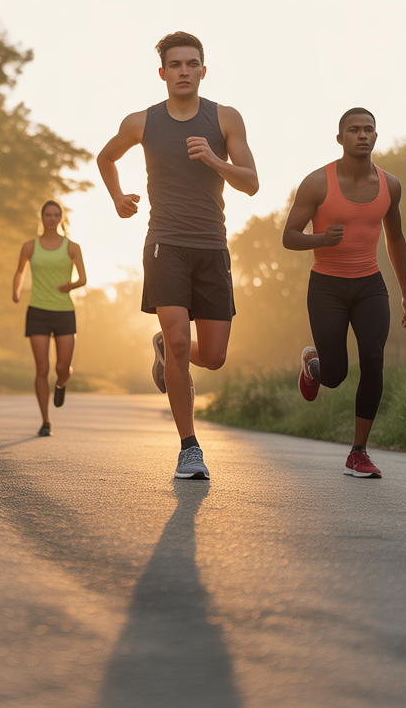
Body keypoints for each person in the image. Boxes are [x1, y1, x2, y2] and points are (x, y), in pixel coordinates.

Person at [95, 31, 259, 480]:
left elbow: (251, 182)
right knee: (183, 344)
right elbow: (105, 158)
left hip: (212, 246)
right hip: (164, 243)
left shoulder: (225, 119)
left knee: (215, 355)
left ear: (203, 71)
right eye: (176, 65)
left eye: (192, 64)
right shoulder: (141, 122)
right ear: (163, 73)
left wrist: (215, 161)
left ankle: (165, 350)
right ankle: (189, 447)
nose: (184, 71)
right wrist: (117, 199)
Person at [281, 108, 406, 479]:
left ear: (376, 136)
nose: (362, 135)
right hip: (327, 286)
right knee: (337, 374)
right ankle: (314, 365)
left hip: (370, 285)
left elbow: (395, 237)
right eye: (353, 130)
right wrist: (321, 239)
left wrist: (405, 292)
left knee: (373, 358)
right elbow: (289, 236)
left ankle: (359, 452)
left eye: (368, 129)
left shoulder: (391, 185)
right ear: (340, 138)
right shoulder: (317, 183)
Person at [12, 200, 87, 436]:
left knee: (62, 367)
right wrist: (15, 291)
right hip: (38, 311)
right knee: (42, 368)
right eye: (48, 214)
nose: (52, 218)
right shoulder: (30, 246)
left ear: (61, 218)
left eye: (56, 215)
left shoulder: (72, 247)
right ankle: (45, 421)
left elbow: (83, 279)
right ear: (42, 218)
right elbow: (20, 271)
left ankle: (62, 382)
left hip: (64, 311)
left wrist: (71, 285)